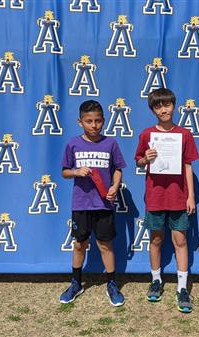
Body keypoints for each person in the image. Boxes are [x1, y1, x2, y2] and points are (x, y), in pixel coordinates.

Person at [135, 88, 199, 313]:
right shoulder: (146, 135)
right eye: (158, 106)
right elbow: (139, 162)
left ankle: (182, 288)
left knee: (180, 241)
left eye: (167, 105)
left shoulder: (185, 134)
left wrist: (190, 195)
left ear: (174, 105)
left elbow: (188, 165)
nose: (163, 109)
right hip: (155, 196)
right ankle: (156, 280)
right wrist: (146, 158)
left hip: (178, 197)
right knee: (156, 239)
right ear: (153, 109)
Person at [59, 100, 127, 306]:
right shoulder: (72, 143)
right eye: (89, 121)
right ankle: (76, 283)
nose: (94, 125)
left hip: (104, 205)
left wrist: (115, 185)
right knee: (79, 244)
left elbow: (117, 168)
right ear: (80, 122)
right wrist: (75, 171)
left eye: (98, 121)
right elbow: (64, 172)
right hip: (81, 204)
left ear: (104, 121)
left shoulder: (111, 143)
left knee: (105, 245)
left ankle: (112, 284)